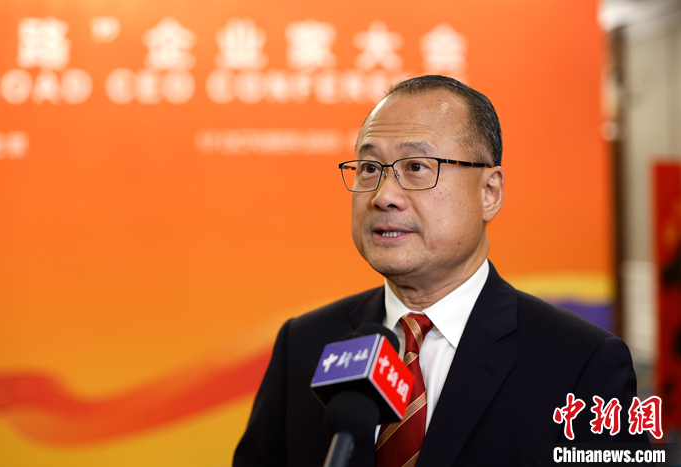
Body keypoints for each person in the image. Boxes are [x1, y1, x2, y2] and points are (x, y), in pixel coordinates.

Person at [233, 75, 649, 467]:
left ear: (489, 192)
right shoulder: (304, 343)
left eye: (416, 167)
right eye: (369, 168)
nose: (384, 196)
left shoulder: (581, 362)